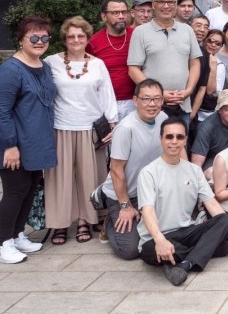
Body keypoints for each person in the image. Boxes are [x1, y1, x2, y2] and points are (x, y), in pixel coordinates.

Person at [137, 117, 228, 286]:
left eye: (179, 137)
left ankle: (184, 264)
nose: (174, 142)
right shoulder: (148, 173)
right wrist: (160, 240)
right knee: (223, 248)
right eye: (169, 137)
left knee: (224, 219)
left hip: (186, 232)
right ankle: (200, 253)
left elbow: (212, 204)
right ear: (161, 139)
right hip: (155, 238)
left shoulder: (194, 170)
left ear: (185, 140)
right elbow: (147, 211)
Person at [45, 15, 118, 245]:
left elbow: (107, 94)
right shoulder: (51, 62)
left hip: (90, 128)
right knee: (60, 179)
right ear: (64, 39)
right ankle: (60, 223)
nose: (76, 40)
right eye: (71, 36)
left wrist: (112, 123)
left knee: (89, 177)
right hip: (61, 127)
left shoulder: (97, 64)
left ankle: (86, 220)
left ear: (87, 38)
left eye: (80, 36)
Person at [0, 16, 56, 264]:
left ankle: (17, 233)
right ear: (21, 40)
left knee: (30, 189)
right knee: (14, 192)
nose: (39, 41)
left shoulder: (44, 66)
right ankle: (3, 242)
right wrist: (10, 145)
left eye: (44, 37)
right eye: (33, 37)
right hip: (15, 144)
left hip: (37, 142)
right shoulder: (11, 70)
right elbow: (2, 110)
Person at [97, 78, 164, 260]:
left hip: (150, 192)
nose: (152, 104)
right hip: (123, 194)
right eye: (146, 99)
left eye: (157, 99)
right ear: (135, 100)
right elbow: (116, 170)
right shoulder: (126, 128)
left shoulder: (163, 119)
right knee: (131, 250)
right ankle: (109, 222)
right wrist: (125, 206)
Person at [127, 0, 202, 128]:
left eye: (171, 2)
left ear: (175, 6)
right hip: (152, 107)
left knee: (179, 147)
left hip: (182, 106)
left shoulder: (187, 30)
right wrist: (159, 94)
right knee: (151, 147)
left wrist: (189, 90)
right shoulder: (140, 32)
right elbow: (133, 69)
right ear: (154, 5)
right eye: (161, 2)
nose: (166, 6)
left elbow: (195, 63)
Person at [87, 0, 136, 121]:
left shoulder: (138, 35)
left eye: (124, 12)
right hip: (106, 103)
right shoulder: (93, 42)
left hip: (136, 101)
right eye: (115, 13)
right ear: (104, 16)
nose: (121, 16)